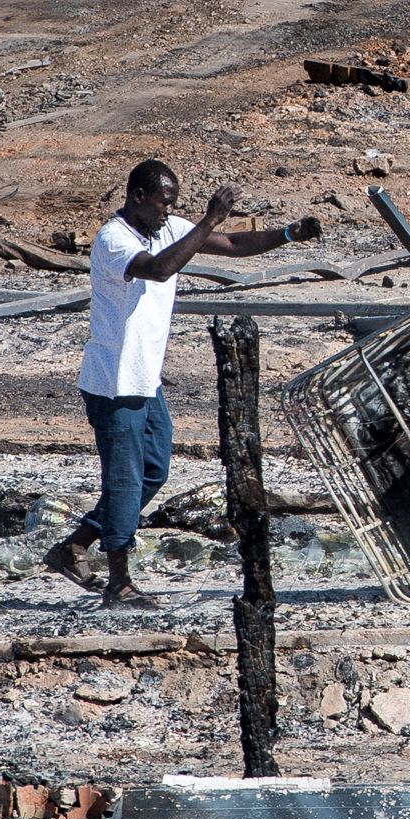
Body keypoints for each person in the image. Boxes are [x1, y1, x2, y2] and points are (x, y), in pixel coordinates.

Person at [45, 159, 320, 608]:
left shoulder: (166, 228)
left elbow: (231, 243)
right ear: (137, 197)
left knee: (154, 470)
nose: (168, 212)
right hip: (115, 383)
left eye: (173, 206)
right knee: (125, 481)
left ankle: (75, 545)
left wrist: (289, 234)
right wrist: (209, 216)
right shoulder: (113, 240)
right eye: (163, 203)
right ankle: (118, 584)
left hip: (145, 380)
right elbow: (158, 270)